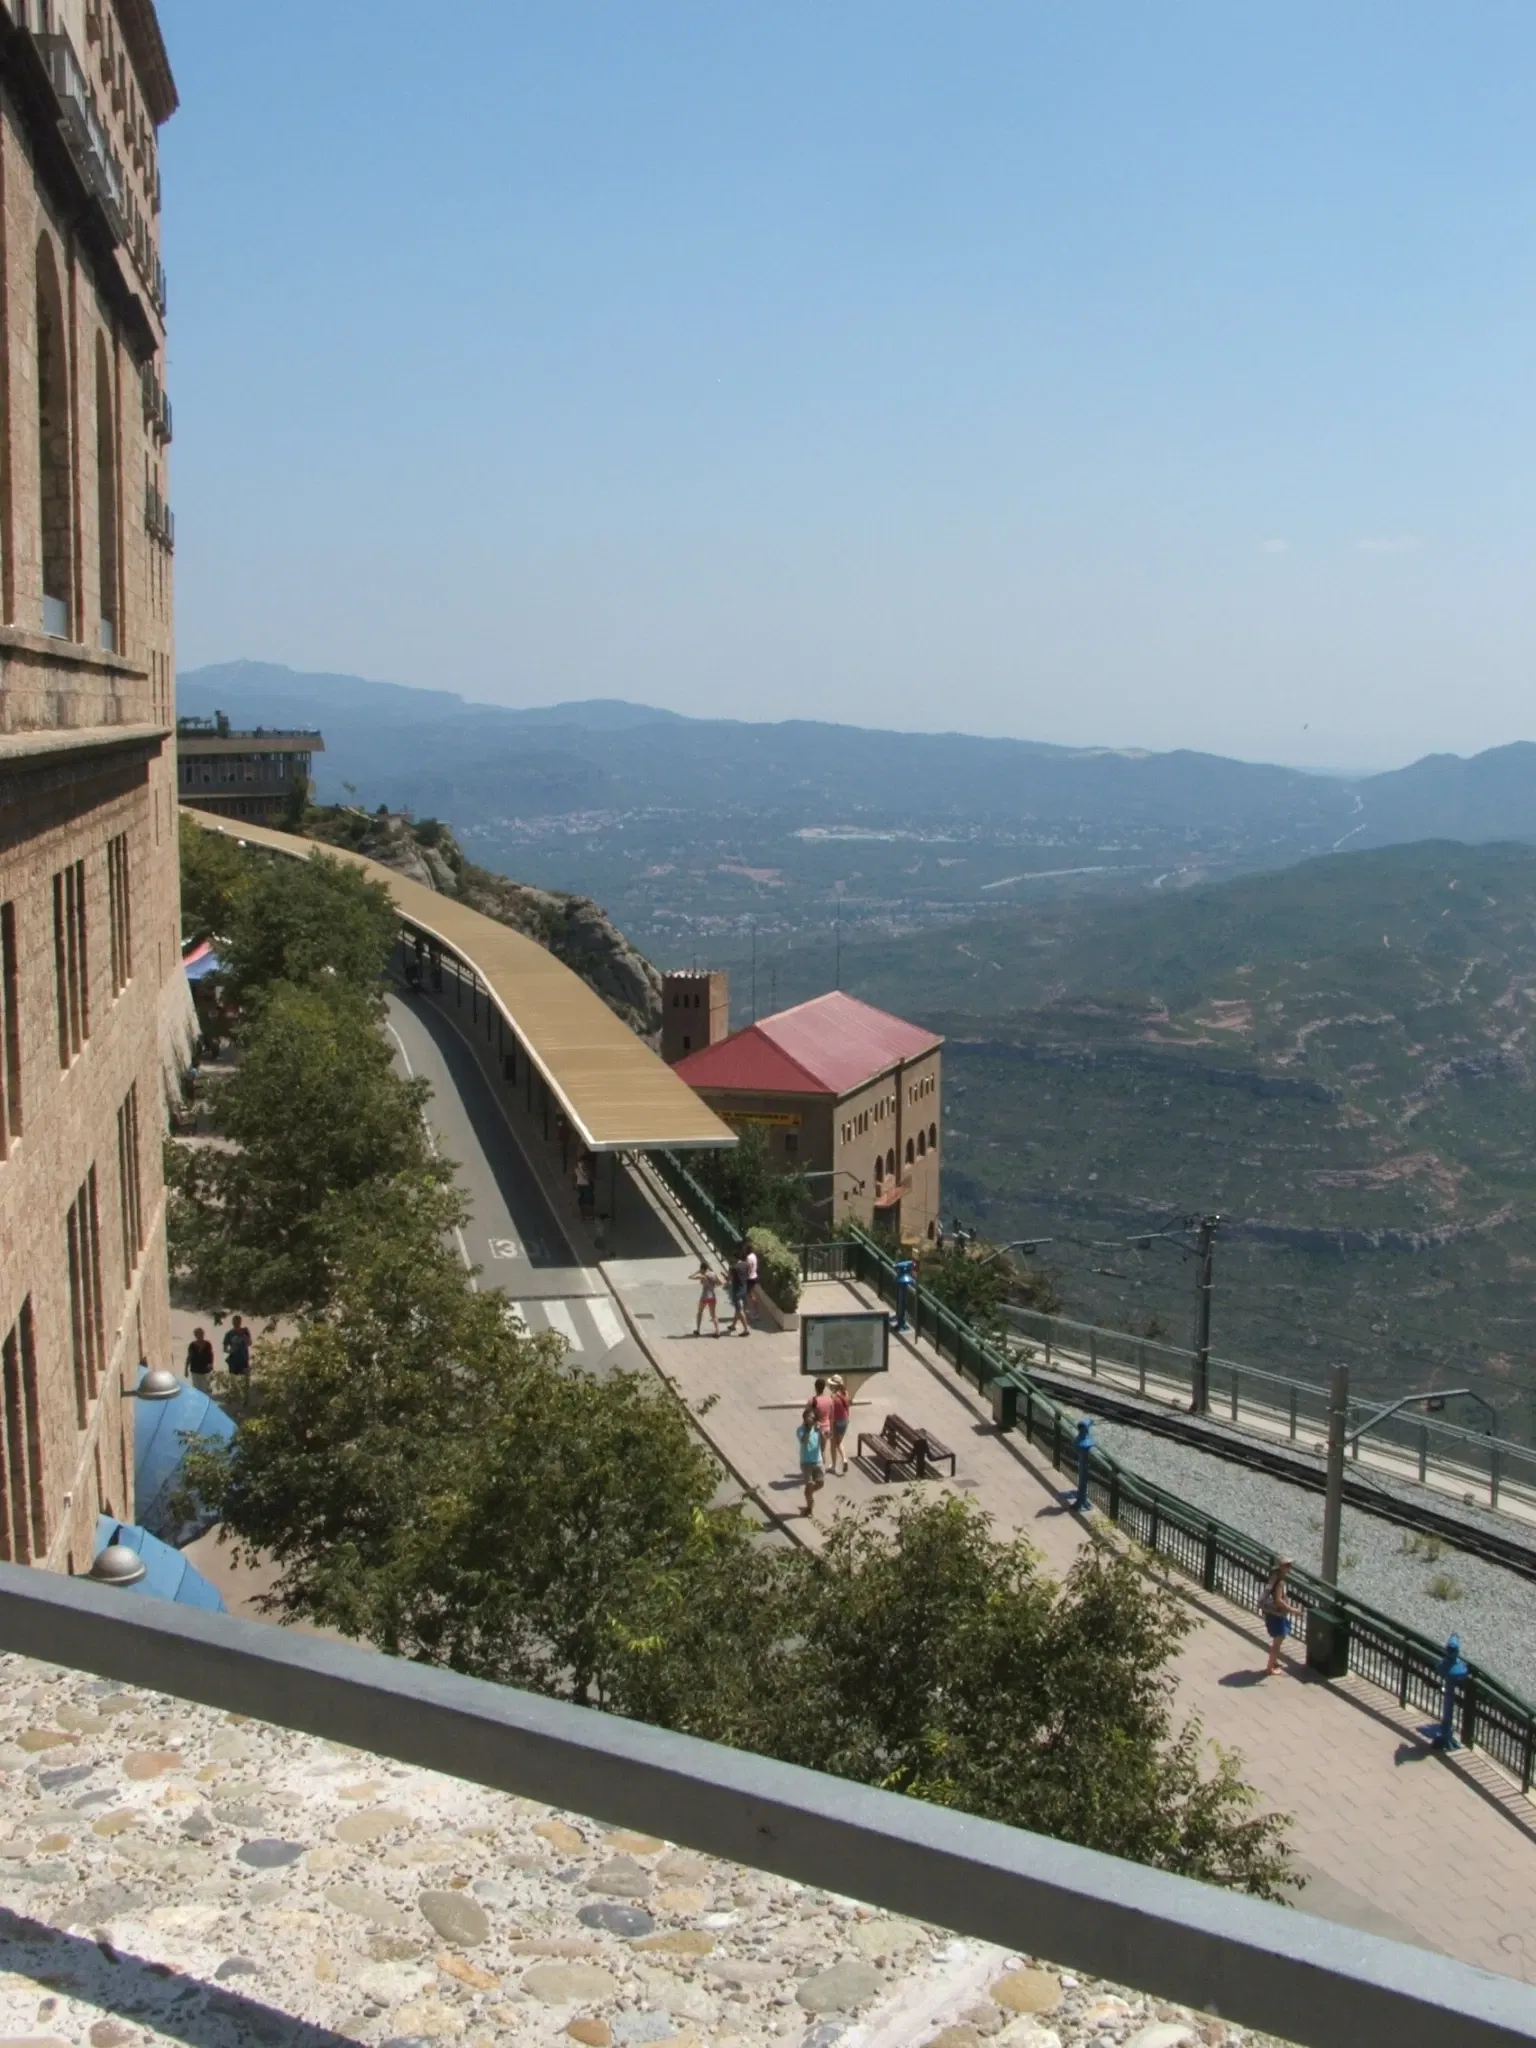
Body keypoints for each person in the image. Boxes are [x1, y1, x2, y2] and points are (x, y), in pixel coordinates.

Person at [1260, 1558, 1301, 1676]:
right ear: (1282, 1567)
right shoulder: (1280, 1582)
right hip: (1277, 1614)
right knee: (1278, 1640)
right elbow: (1278, 1601)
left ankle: (1274, 1661)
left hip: (1271, 1612)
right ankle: (1270, 1667)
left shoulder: (1274, 1576)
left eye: (1290, 1565)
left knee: (1278, 1638)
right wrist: (1293, 1610)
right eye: (1288, 1565)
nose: (1290, 1568)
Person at [797, 1400, 826, 1516]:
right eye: (808, 1417)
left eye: (812, 1417)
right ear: (804, 1419)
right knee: (809, 1483)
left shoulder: (817, 1429)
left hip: (817, 1460)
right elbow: (803, 1440)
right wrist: (809, 1430)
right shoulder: (801, 1430)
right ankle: (810, 1508)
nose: (810, 1419)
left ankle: (808, 1494)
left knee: (820, 1483)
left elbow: (824, 1442)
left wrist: (822, 1433)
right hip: (806, 1462)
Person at [828, 1375, 851, 1475]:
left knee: (833, 1444)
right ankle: (844, 1459)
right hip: (845, 1420)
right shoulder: (845, 1393)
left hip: (835, 1421)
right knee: (839, 1442)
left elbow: (831, 1413)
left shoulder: (833, 1398)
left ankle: (833, 1466)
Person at [811, 1375, 835, 1465]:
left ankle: (818, 1469)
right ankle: (822, 1468)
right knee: (823, 1449)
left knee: (815, 1450)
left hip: (817, 1428)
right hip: (827, 1428)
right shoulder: (829, 1399)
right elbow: (832, 1416)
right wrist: (831, 1429)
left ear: (815, 1387)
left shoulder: (814, 1400)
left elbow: (809, 1415)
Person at [726, 1253, 751, 1337]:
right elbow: (749, 1273)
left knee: (739, 1310)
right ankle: (733, 1326)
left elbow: (729, 1279)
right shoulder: (746, 1264)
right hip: (744, 1289)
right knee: (738, 1309)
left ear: (734, 1258)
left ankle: (746, 1330)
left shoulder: (733, 1267)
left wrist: (725, 1276)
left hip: (736, 1291)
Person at [693, 1259, 721, 1337]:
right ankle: (717, 1331)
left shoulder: (703, 1276)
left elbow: (691, 1277)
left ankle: (698, 1330)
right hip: (712, 1296)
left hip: (705, 1296)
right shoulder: (713, 1274)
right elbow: (720, 1283)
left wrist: (697, 1272)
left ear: (702, 1268)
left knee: (700, 1312)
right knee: (713, 1315)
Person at [575, 1154, 595, 1223]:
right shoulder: (583, 1167)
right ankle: (588, 1215)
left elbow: (575, 1176)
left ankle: (585, 1215)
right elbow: (588, 1176)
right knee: (587, 1200)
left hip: (581, 1185)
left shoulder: (578, 1167)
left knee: (583, 1200)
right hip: (585, 1185)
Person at [743, 1243, 760, 1319]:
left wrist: (745, 1275)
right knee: (751, 1295)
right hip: (754, 1276)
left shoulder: (749, 1257)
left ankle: (752, 1312)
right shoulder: (754, 1255)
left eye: (745, 1249)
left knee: (749, 1295)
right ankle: (753, 1311)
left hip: (750, 1278)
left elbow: (749, 1268)